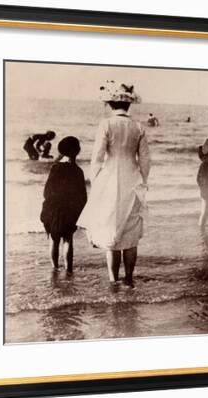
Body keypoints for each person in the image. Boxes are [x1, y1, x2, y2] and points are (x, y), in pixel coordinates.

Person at [77, 81, 151, 287]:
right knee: (130, 231)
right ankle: (128, 279)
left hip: (109, 179)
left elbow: (97, 157)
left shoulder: (106, 124)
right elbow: (145, 159)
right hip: (132, 178)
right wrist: (143, 180)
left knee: (111, 227)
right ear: (129, 105)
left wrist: (96, 181)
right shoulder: (138, 126)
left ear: (110, 104)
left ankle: (112, 279)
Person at [40, 136, 87, 273]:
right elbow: (82, 196)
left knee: (53, 239)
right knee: (68, 239)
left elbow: (47, 191)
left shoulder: (55, 168)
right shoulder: (78, 171)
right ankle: (68, 269)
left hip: (53, 208)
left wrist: (49, 206)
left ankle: (54, 268)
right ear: (77, 151)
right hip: (70, 210)